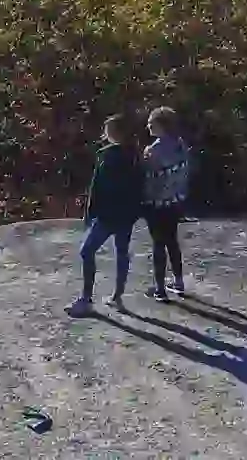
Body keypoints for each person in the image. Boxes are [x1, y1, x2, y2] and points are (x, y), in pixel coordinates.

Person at [66, 114, 143, 317]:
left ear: (114, 133)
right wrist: (136, 210)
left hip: (108, 215)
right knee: (122, 253)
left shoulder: (106, 155)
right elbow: (140, 186)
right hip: (126, 214)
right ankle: (117, 296)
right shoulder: (135, 155)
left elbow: (97, 187)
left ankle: (86, 298)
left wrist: (90, 213)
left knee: (87, 251)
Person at [141, 106, 191, 302]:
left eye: (151, 123)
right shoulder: (180, 145)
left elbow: (149, 179)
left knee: (158, 245)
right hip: (176, 201)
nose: (148, 126)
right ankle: (178, 281)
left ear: (161, 126)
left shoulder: (152, 151)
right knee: (172, 241)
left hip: (157, 204)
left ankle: (160, 288)